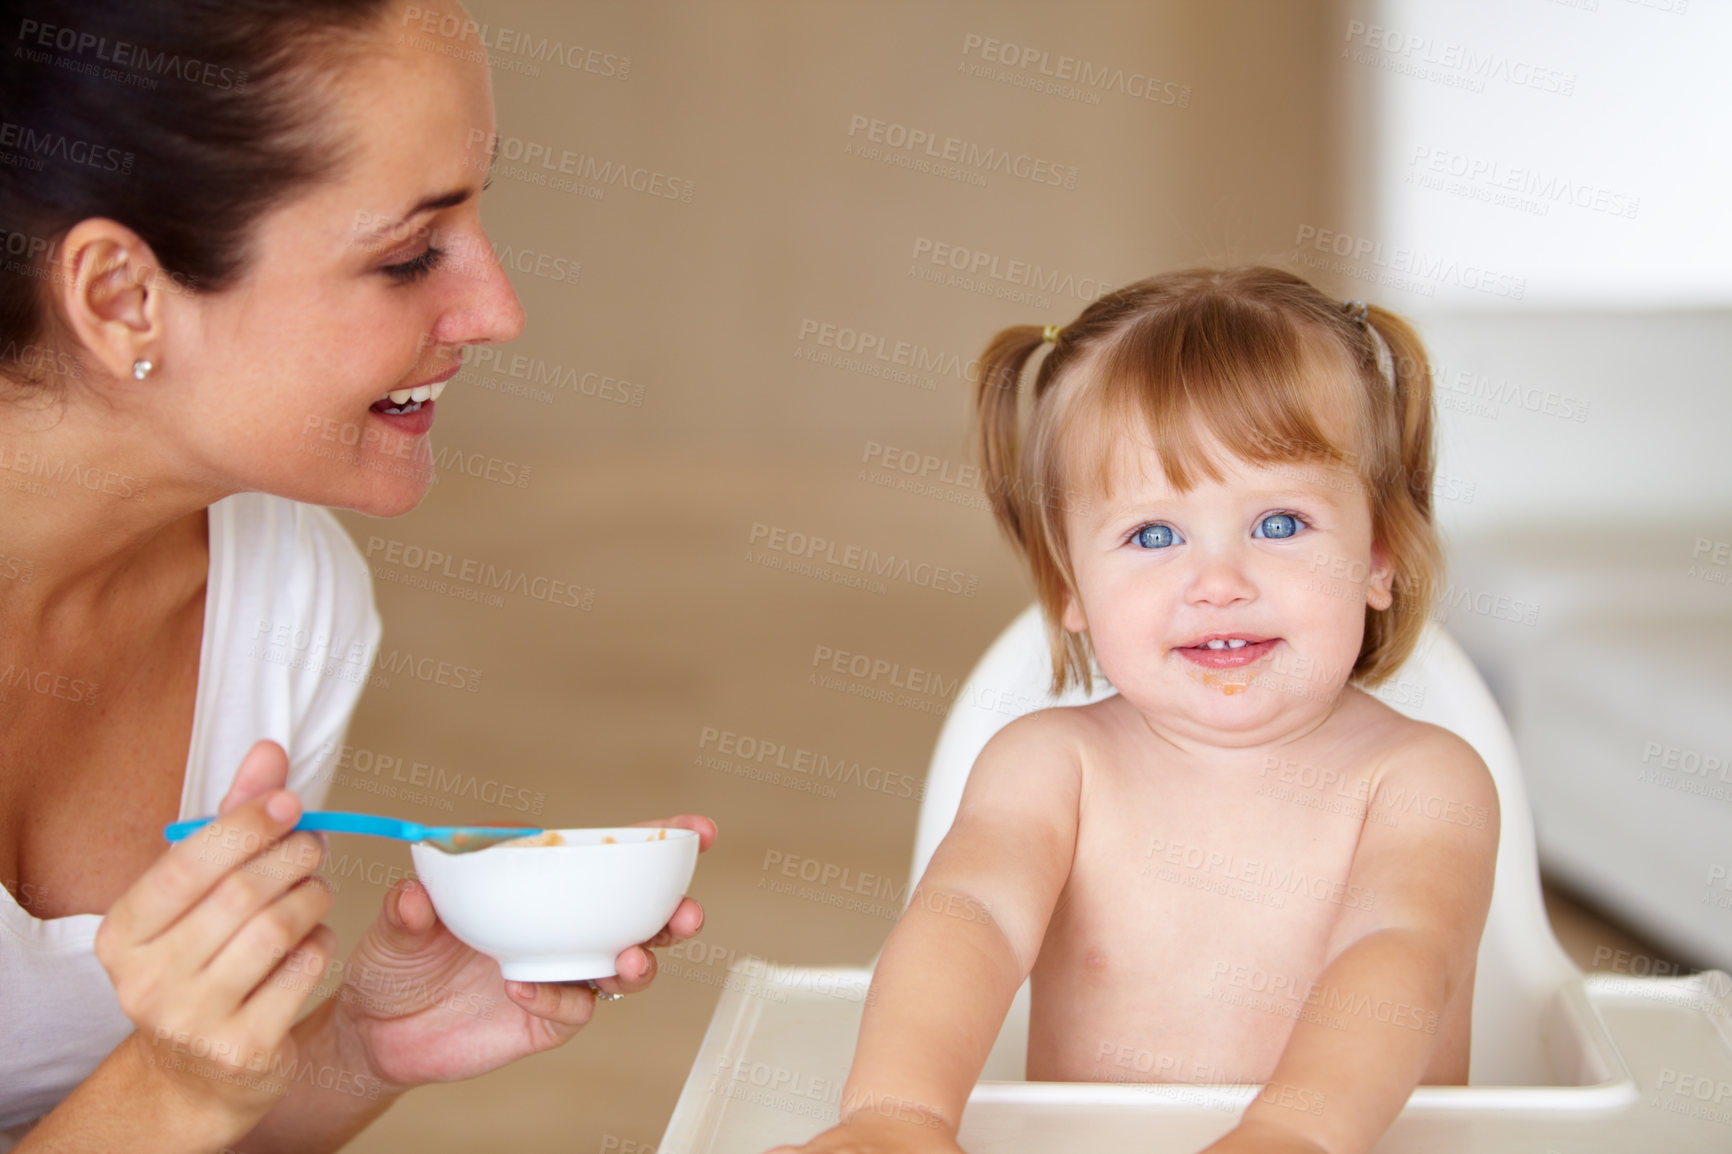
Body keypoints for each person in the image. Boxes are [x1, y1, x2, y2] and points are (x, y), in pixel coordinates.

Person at [0, 1, 715, 1150]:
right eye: (408, 254)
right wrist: (170, 1086)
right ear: (120, 297)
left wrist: (354, 1049)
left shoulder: (286, 600)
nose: (497, 311)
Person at [775, 267, 1499, 1154]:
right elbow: (971, 919)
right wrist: (898, 1114)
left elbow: (1400, 955)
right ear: (1069, 585)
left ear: (1381, 556)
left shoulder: (1425, 781)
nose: (1219, 583)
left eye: (1280, 524)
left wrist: (1291, 1134)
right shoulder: (1052, 769)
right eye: (1154, 536)